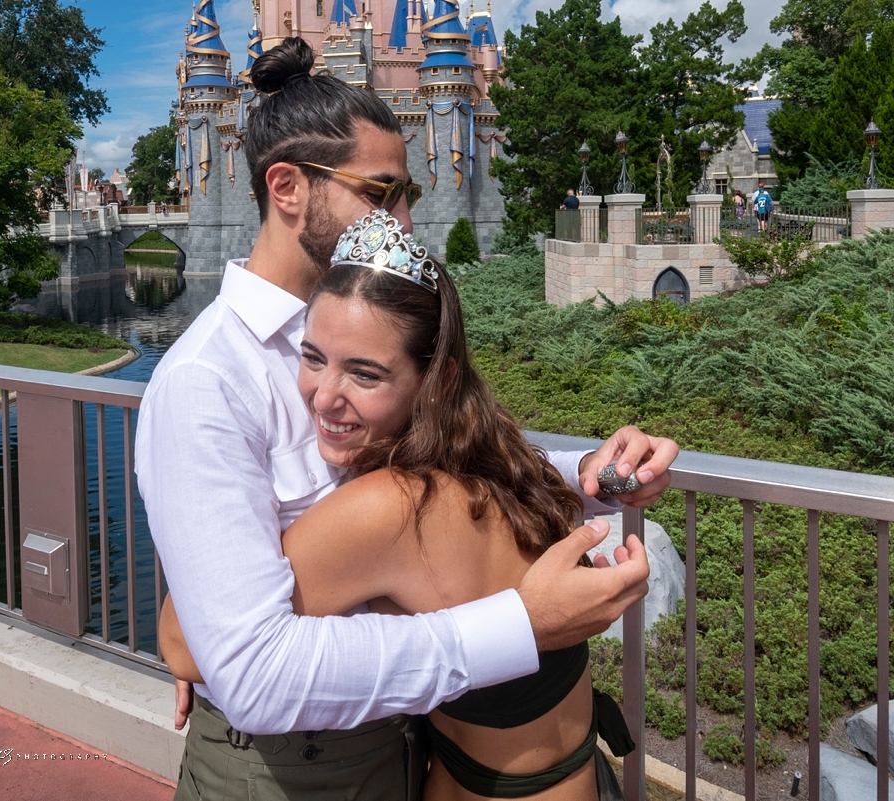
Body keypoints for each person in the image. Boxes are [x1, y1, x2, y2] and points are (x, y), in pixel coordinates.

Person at [135, 37, 677, 801]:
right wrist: (517, 625)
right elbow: (248, 671)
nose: (406, 220)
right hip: (293, 771)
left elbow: (441, 478)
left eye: (408, 194)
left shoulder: (360, 320)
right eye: (382, 192)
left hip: (405, 745)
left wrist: (581, 474)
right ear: (286, 187)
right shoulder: (207, 382)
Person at [162, 209, 644, 800]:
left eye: (364, 374)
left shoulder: (390, 506)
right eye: (312, 358)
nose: (323, 397)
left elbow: (183, 641)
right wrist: (603, 473)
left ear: (435, 379)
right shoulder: (494, 457)